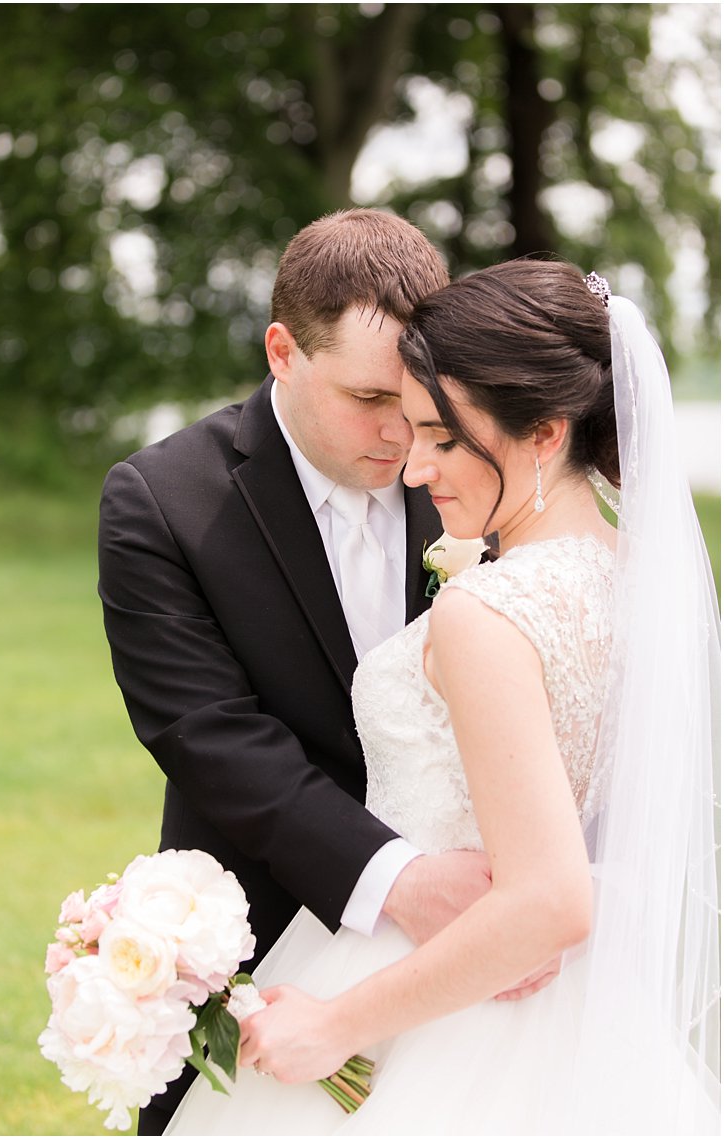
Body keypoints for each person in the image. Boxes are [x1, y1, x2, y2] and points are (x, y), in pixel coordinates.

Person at [166, 261, 720, 1133]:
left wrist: (331, 1025)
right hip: (583, 1011)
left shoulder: (484, 610)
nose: (413, 466)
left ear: (543, 433)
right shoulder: (639, 582)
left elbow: (548, 897)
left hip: (437, 1006)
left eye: (443, 438)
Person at [98, 209, 528, 1135]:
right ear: (283, 350)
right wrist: (404, 880)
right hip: (264, 936)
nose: (402, 437)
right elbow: (210, 737)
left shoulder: (487, 480)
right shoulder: (163, 502)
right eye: (368, 398)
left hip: (483, 943)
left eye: (421, 401)